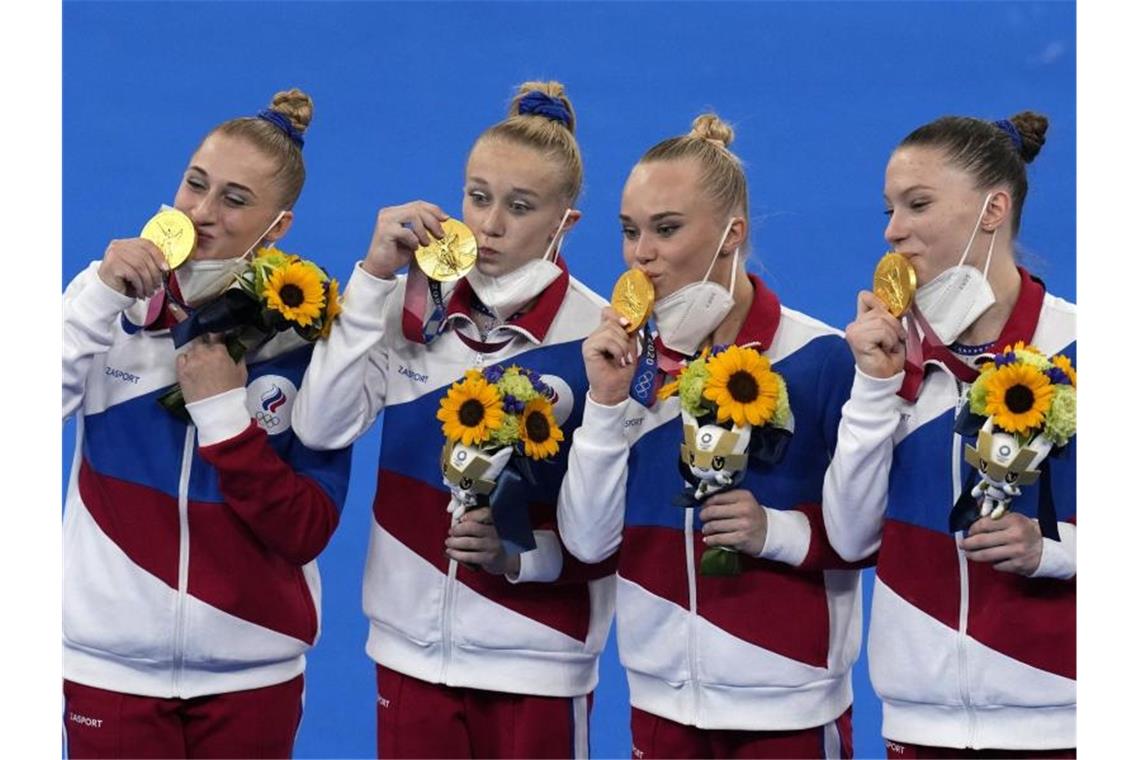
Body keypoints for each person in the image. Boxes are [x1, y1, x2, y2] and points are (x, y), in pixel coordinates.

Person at [292, 81, 615, 759]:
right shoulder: (410, 309)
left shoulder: (599, 337)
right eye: (478, 196)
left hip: (538, 660)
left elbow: (613, 529)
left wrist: (519, 557)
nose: (490, 224)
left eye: (520, 207)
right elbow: (321, 427)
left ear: (566, 223)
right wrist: (374, 276)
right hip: (408, 654)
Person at [558, 113, 864, 759]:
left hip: (789, 706)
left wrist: (773, 533)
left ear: (733, 234)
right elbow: (588, 545)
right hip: (661, 705)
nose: (642, 253)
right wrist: (608, 409)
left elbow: (870, 534)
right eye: (630, 231)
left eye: (666, 229)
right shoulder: (624, 370)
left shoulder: (819, 360)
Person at [61, 88, 351, 758]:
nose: (202, 212)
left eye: (235, 199)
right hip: (112, 666)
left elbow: (306, 526)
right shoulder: (104, 306)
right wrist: (98, 296)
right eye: (196, 184)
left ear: (276, 227)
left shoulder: (303, 333)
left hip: (255, 666)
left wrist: (225, 413)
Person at [821, 112, 1075, 758]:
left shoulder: (1083, 348)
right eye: (889, 208)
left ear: (994, 208)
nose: (892, 230)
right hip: (918, 729)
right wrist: (875, 387)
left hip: (1063, 724)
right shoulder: (889, 358)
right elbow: (849, 538)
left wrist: (1052, 551)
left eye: (918, 204)